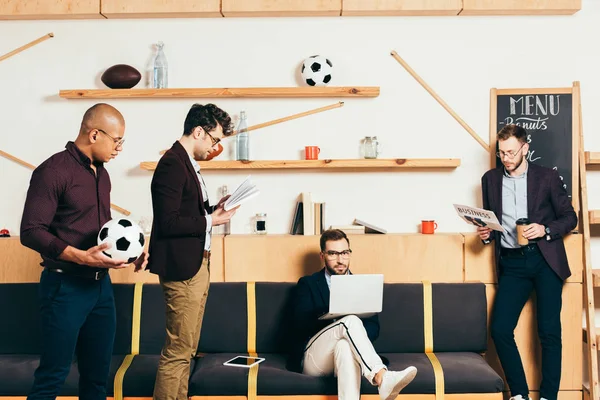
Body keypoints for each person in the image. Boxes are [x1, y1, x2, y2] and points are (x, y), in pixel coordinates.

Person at [20, 103, 148, 400]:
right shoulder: (52, 171)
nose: (119, 149)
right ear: (94, 134)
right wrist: (80, 256)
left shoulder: (102, 175)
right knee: (53, 376)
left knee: (97, 378)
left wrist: (133, 251)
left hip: (100, 289)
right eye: (117, 141)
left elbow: (102, 231)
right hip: (64, 287)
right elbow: (31, 230)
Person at [478, 124, 577, 400]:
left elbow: (570, 217)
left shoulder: (547, 177)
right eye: (501, 153)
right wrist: (486, 234)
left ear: (525, 149)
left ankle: (548, 396)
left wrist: (544, 229)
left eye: (511, 152)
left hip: (545, 260)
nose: (506, 158)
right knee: (499, 329)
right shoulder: (490, 179)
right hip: (512, 264)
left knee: (548, 332)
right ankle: (519, 394)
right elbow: (492, 223)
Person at [147, 103, 238, 400]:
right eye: (214, 140)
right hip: (183, 270)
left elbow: (185, 213)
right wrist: (212, 220)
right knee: (177, 352)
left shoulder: (186, 163)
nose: (215, 147)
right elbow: (168, 222)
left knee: (186, 351)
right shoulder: (173, 163)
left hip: (197, 266)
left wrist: (213, 210)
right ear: (198, 131)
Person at [287, 229, 418, 400]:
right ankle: (380, 375)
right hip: (315, 358)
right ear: (322, 256)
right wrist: (333, 316)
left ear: (349, 253)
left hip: (344, 354)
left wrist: (351, 336)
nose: (340, 260)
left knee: (344, 346)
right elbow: (299, 325)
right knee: (349, 321)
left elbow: (373, 328)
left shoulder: (361, 285)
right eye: (333, 254)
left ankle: (379, 376)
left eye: (344, 253)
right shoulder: (308, 284)